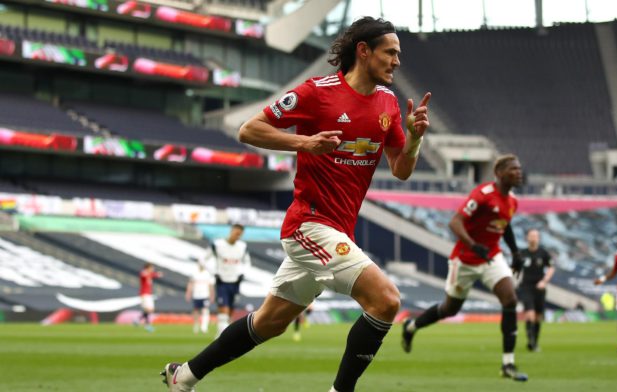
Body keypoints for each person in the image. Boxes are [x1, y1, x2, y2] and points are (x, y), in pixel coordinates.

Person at [161, 16, 431, 392]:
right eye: (391, 52)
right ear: (364, 51)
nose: (397, 61)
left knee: (269, 322)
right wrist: (304, 143)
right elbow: (249, 129)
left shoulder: (387, 102)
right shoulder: (317, 92)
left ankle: (183, 375)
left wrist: (415, 139)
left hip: (338, 228)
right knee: (386, 300)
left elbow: (401, 169)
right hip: (309, 224)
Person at [401, 154, 528, 381]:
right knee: (450, 309)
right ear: (499, 173)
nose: (518, 172)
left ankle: (507, 364)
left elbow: (504, 226)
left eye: (519, 169)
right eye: (513, 169)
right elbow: (455, 222)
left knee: (510, 300)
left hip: (491, 257)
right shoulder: (483, 195)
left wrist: (516, 252)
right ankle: (411, 326)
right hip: (465, 259)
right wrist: (473, 245)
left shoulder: (513, 201)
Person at [206, 224, 251, 337]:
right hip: (222, 281)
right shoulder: (217, 245)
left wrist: (243, 273)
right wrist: (214, 272)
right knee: (223, 309)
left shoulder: (242, 246)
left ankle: (220, 332)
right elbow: (204, 259)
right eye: (236, 233)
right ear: (231, 231)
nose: (237, 236)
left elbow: (247, 262)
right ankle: (222, 337)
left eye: (239, 234)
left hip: (235, 282)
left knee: (230, 309)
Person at [516, 229, 554, 352]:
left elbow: (551, 267)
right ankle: (530, 342)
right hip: (526, 287)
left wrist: (544, 281)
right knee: (530, 315)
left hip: (539, 288)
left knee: (538, 317)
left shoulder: (543, 253)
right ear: (527, 238)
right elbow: (514, 267)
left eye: (535, 236)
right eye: (531, 235)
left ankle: (535, 342)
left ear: (538, 238)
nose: (533, 238)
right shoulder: (522, 253)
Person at [186, 263, 215, 334]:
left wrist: (212, 295)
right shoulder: (194, 273)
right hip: (196, 295)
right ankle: (196, 325)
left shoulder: (207, 274)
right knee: (196, 311)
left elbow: (211, 286)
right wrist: (188, 293)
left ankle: (204, 327)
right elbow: (190, 284)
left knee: (205, 310)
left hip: (205, 295)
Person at [139, 262, 162, 332]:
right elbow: (144, 275)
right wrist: (155, 274)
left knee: (150, 310)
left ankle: (138, 319)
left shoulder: (149, 274)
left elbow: (153, 275)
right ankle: (147, 325)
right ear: (148, 268)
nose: (153, 269)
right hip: (144, 294)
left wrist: (157, 274)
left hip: (149, 294)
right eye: (151, 268)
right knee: (149, 309)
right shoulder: (144, 273)